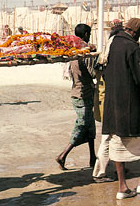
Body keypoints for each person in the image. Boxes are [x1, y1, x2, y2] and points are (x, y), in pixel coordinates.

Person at [103, 18, 140, 199]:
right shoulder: (132, 47)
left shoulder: (112, 43)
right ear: (137, 33)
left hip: (112, 101)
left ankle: (122, 187)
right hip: (130, 100)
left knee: (117, 140)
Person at [56, 24, 96, 170]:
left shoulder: (74, 50)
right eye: (89, 33)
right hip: (81, 95)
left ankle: (93, 157)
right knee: (82, 125)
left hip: (81, 93)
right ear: (85, 34)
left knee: (90, 127)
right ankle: (63, 155)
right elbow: (92, 73)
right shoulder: (84, 51)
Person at [92, 19, 123, 183]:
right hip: (108, 101)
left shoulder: (108, 47)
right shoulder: (113, 46)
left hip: (106, 99)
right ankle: (100, 172)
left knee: (112, 136)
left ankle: (115, 168)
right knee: (109, 136)